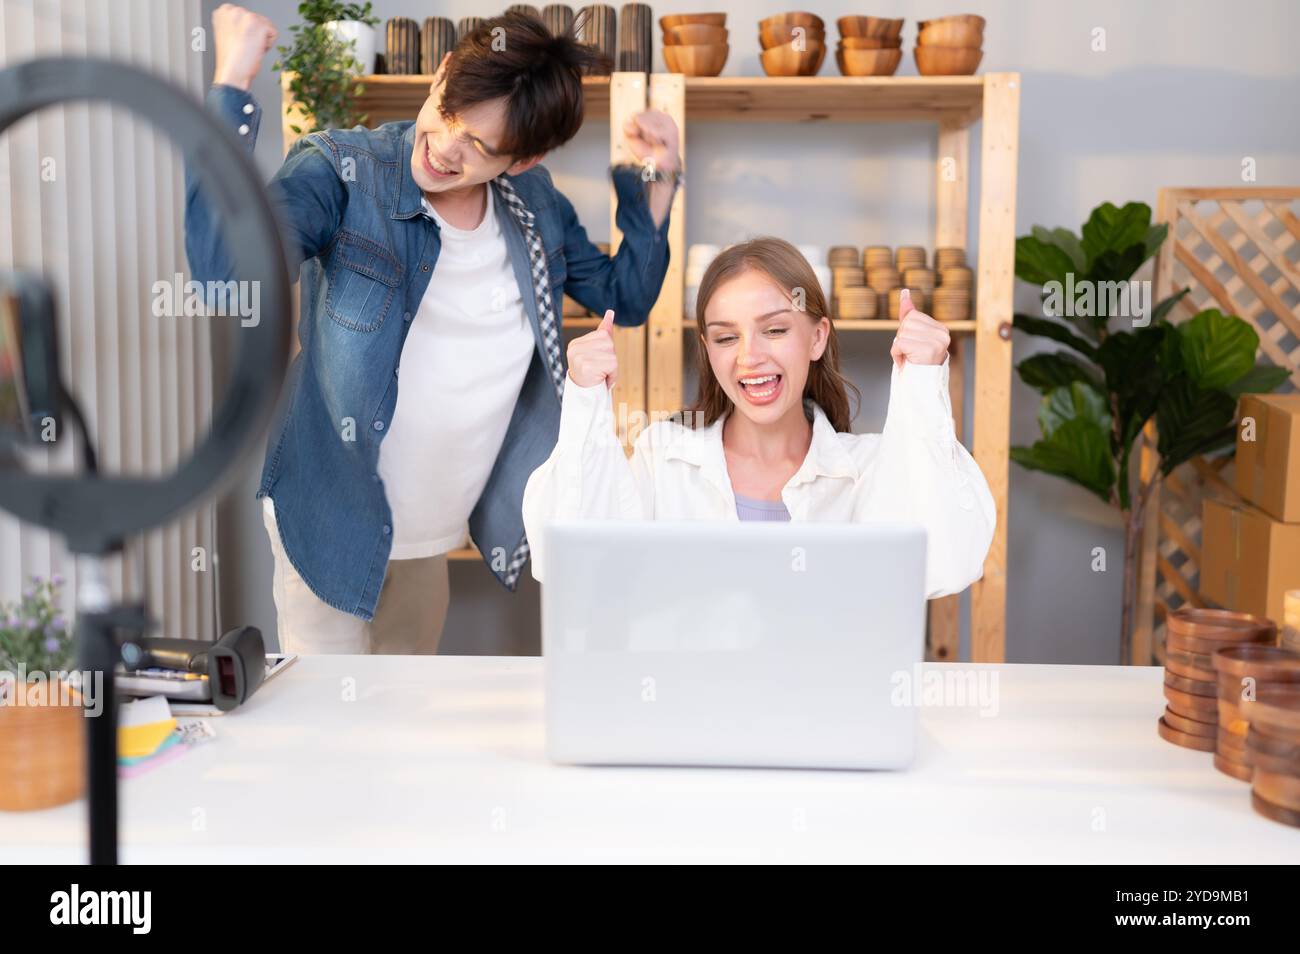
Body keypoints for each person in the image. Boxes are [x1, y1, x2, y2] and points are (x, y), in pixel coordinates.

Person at [185, 6, 681, 654]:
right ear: (443, 72)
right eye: (448, 110)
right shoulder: (340, 170)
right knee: (328, 730)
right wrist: (233, 81)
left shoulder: (534, 206)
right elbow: (225, 277)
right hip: (330, 517)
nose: (446, 146)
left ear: (522, 159)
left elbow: (627, 296)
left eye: (481, 145)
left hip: (433, 533)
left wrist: (656, 181)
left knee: (404, 730)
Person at [523, 237, 995, 598]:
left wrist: (922, 386)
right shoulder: (663, 456)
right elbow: (570, 562)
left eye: (774, 329)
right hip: (692, 712)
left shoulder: (872, 469)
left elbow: (944, 564)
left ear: (816, 338)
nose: (750, 357)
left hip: (825, 714)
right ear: (707, 351)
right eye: (726, 338)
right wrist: (585, 398)